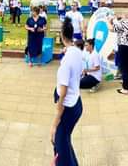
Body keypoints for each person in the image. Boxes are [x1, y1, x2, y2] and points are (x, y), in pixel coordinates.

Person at [51, 18, 83, 166]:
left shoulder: (65, 63)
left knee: (59, 143)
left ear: (62, 36)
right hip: (77, 104)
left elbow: (62, 94)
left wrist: (54, 124)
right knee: (65, 140)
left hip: (67, 106)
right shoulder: (77, 51)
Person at [110, 12, 128, 95]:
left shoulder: (122, 23)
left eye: (122, 15)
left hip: (123, 47)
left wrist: (108, 21)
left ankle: (125, 88)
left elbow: (111, 29)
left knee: (124, 67)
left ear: (125, 16)